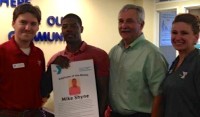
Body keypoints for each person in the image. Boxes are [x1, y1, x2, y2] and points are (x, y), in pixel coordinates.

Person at [41, 13, 109, 117]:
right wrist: (52, 68)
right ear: (62, 31)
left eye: (73, 26)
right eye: (65, 27)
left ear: (81, 29)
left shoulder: (99, 55)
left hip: (91, 113)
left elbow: (104, 91)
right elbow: (45, 91)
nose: (69, 29)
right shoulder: (55, 60)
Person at [108, 4, 168, 117]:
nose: (123, 25)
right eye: (121, 21)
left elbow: (160, 95)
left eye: (129, 21)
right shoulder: (114, 51)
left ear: (141, 24)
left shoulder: (152, 54)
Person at [0, 3, 46, 117]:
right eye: (23, 22)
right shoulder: (2, 52)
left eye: (33, 24)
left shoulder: (39, 54)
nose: (28, 28)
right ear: (13, 24)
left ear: (38, 27)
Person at [161, 13, 200, 117]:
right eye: (174, 32)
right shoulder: (176, 62)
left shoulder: (197, 62)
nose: (178, 37)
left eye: (184, 33)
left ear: (196, 37)